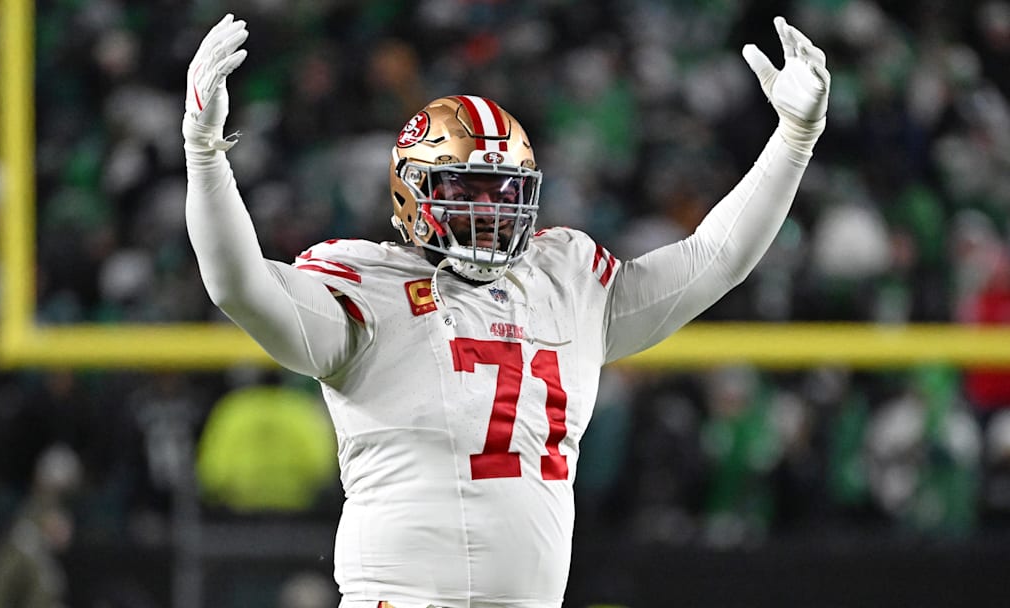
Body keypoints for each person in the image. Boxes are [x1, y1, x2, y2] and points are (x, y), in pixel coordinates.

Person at [183, 13, 830, 608]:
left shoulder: (565, 280)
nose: (490, 211)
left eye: (505, 193)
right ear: (414, 195)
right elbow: (239, 286)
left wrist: (795, 137)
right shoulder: (369, 289)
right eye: (467, 189)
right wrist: (205, 156)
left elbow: (715, 259)